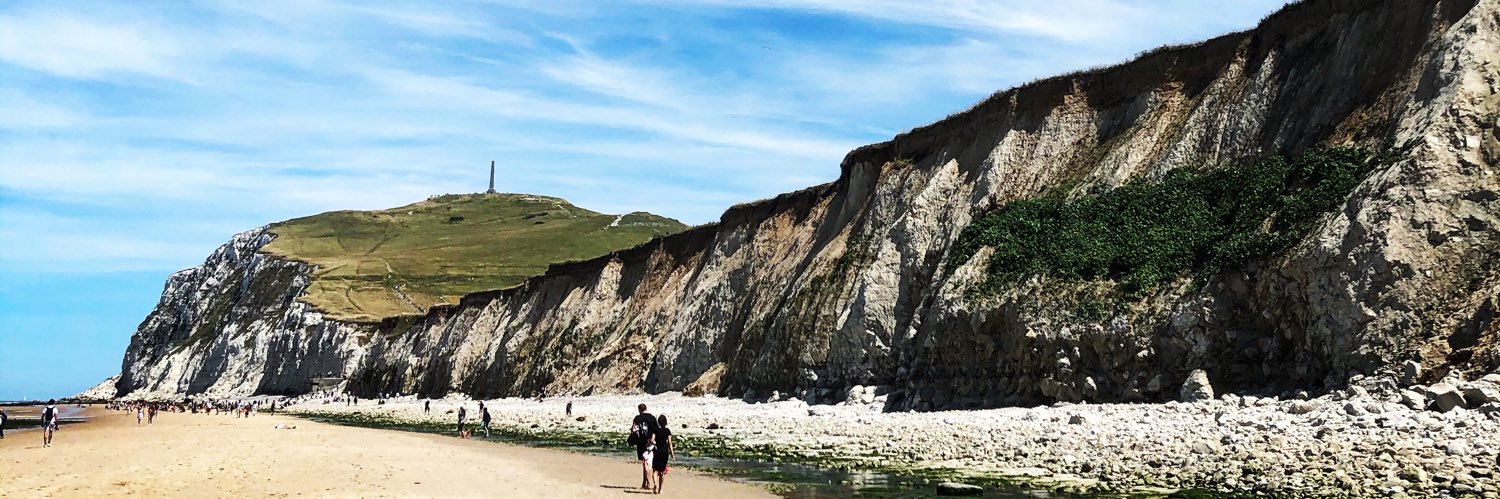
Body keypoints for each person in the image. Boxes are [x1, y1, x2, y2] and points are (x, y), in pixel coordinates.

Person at [628, 404, 659, 490]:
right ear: (646, 409)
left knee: (644, 462)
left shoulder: (637, 418)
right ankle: (645, 482)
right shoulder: (652, 418)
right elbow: (656, 430)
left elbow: (633, 429)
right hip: (651, 442)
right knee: (649, 462)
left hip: (641, 442)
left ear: (639, 410)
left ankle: (647, 482)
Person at [650, 414, 674, 495]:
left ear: (658, 422)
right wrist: (672, 454)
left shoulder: (655, 430)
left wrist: (651, 443)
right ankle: (660, 489)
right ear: (665, 422)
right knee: (662, 471)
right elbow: (670, 443)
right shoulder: (667, 431)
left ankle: (655, 484)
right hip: (664, 451)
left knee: (655, 469)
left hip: (657, 451)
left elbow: (652, 440)